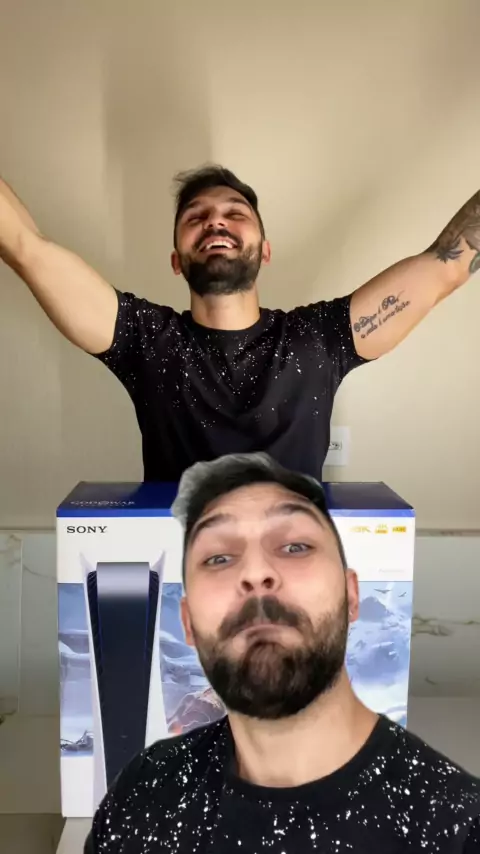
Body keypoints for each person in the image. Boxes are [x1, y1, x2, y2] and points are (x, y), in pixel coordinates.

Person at [84, 452, 480, 853]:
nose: (256, 573)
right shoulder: (138, 799)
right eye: (219, 557)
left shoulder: (459, 826)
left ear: (351, 595)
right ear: (188, 623)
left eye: (295, 546)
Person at [1, 167, 479, 481]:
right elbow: (25, 246)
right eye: (196, 217)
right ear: (176, 260)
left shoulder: (319, 339)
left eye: (235, 213)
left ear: (265, 251)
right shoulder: (146, 341)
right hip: (181, 587)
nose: (216, 222)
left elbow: (447, 264)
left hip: (296, 584)